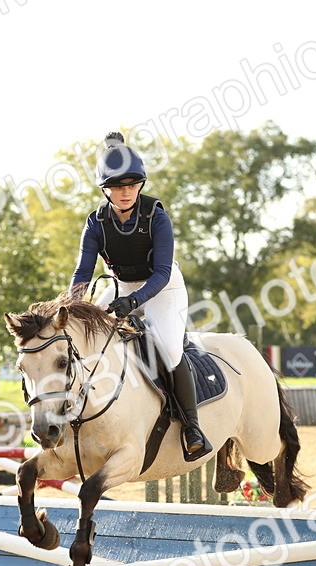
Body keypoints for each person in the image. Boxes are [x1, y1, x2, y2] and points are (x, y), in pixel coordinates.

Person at [69, 132, 212, 461]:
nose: (125, 192)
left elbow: (161, 272)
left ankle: (192, 428)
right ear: (104, 189)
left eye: (132, 185)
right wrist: (70, 307)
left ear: (140, 185)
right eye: (117, 186)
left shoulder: (157, 216)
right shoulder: (95, 223)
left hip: (163, 287)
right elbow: (83, 273)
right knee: (83, 335)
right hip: (121, 287)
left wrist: (134, 302)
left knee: (170, 349)